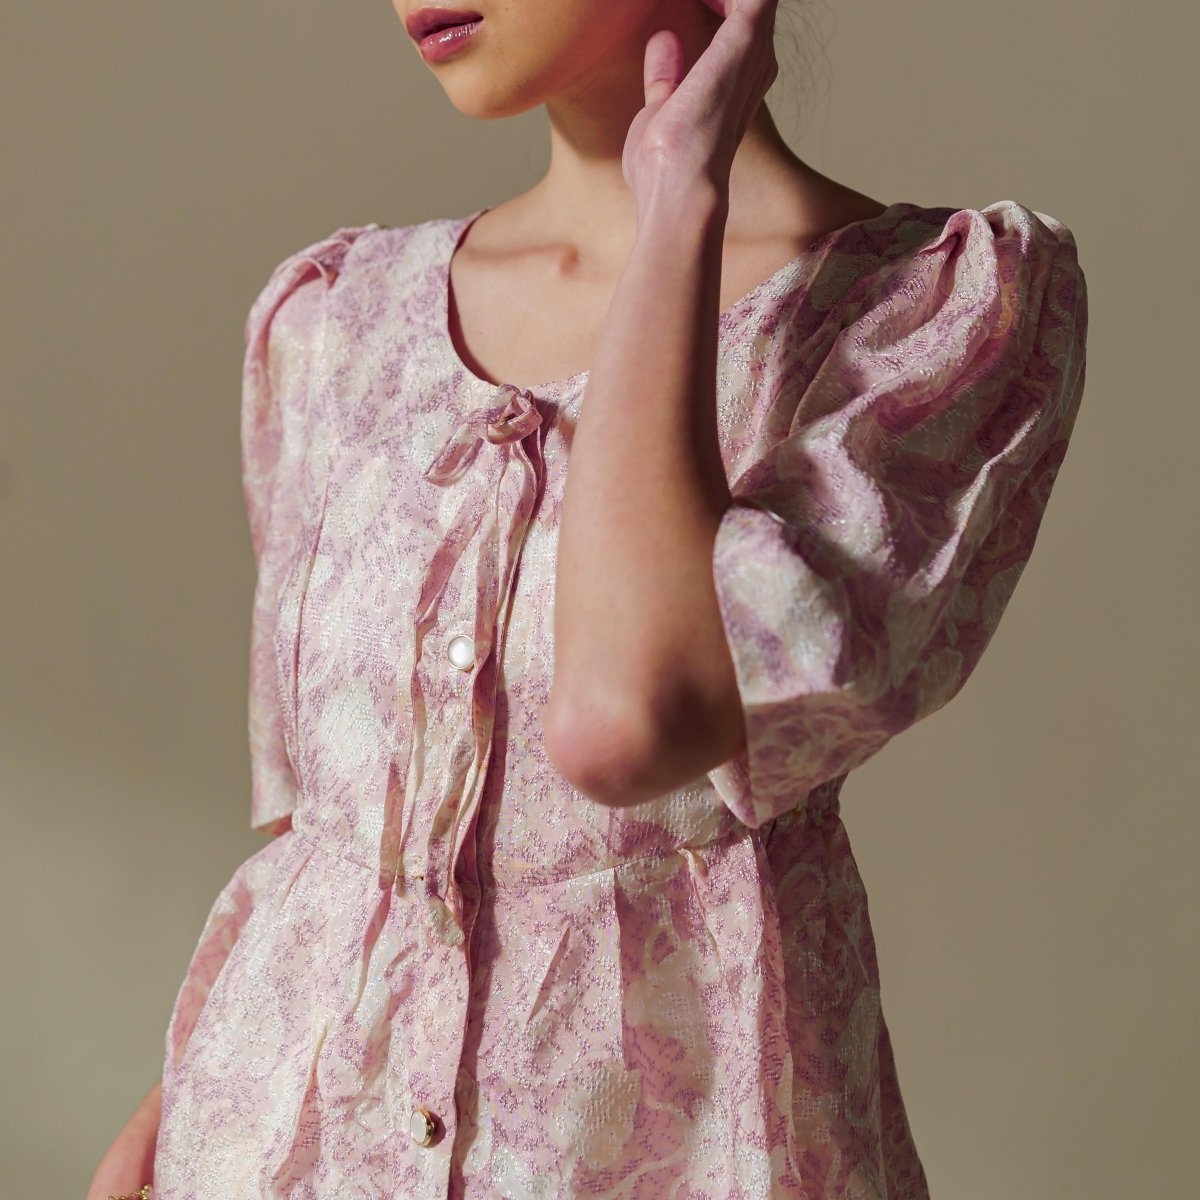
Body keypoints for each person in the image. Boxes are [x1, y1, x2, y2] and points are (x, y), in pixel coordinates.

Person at [90, 0, 1089, 1196]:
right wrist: (177, 1103)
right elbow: (330, 842)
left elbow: (626, 723)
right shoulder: (335, 319)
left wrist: (676, 213)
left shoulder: (924, 317)